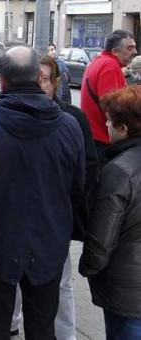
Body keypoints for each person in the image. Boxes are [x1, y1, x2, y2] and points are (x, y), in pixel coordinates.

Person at [0, 45, 85, 339]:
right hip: (48, 244)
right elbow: (77, 187)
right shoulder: (69, 126)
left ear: (2, 81)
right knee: (41, 329)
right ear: (38, 77)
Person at [8, 55, 100, 338]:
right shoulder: (13, 114)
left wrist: (67, 209)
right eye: (35, 78)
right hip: (16, 218)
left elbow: (87, 168)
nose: (39, 85)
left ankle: (65, 334)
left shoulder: (72, 118)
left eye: (45, 79)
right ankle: (10, 322)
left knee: (60, 282)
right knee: (12, 277)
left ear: (56, 83)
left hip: (54, 220)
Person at [79, 85, 141, 339]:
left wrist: (88, 267)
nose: (105, 124)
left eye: (109, 120)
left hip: (127, 289)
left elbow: (101, 239)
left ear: (123, 128)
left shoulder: (118, 172)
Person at [81, 29, 137, 161]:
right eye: (130, 48)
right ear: (115, 51)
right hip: (103, 141)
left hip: (95, 138)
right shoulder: (110, 66)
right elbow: (113, 108)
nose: (134, 52)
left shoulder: (100, 61)